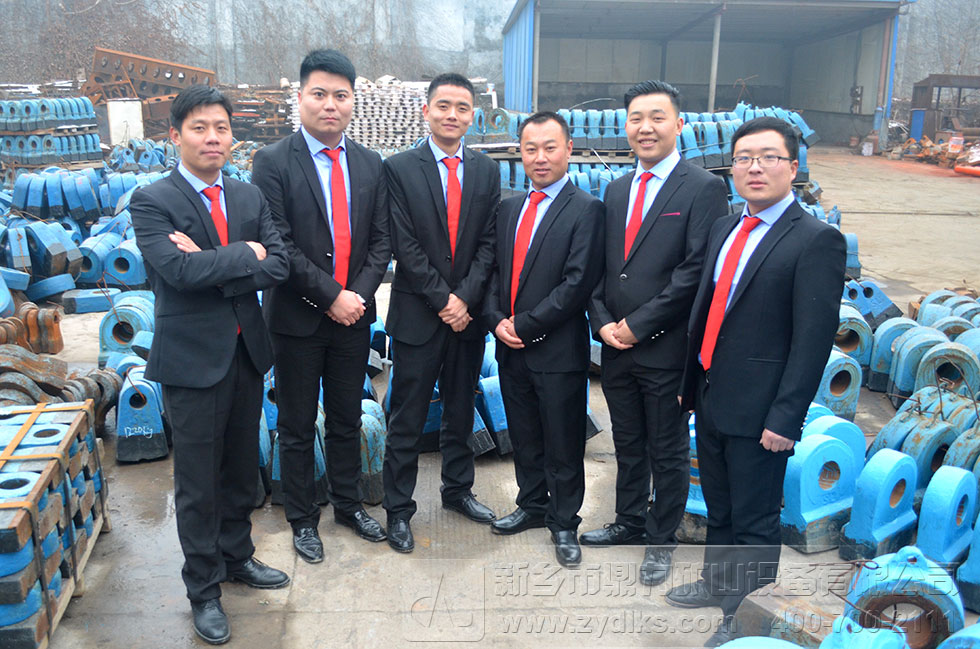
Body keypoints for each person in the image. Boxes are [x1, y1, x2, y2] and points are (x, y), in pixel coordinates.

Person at [665, 116, 845, 647]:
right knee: (719, 507)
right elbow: (707, 311)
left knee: (755, 520)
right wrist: (691, 384)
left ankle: (746, 616)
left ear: (793, 167)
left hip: (763, 411)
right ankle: (717, 584)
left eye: (769, 157)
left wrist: (786, 417)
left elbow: (812, 340)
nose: (755, 167)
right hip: (712, 396)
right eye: (744, 158)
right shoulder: (726, 227)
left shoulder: (816, 240)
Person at [131, 85, 290, 645]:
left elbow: (280, 264)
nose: (212, 138)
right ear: (175, 135)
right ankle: (203, 589)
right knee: (198, 484)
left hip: (247, 353)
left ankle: (237, 557)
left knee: (241, 470)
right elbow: (177, 273)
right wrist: (246, 254)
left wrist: (214, 261)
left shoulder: (248, 196)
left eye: (221, 127)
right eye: (199, 128)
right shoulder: (152, 200)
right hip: (191, 362)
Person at [583, 80, 728, 586]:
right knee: (627, 442)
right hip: (615, 346)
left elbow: (695, 272)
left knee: (666, 450)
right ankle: (627, 521)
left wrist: (638, 326)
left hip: (665, 348)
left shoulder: (703, 188)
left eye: (657, 117)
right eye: (636, 118)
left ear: (679, 124)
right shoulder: (618, 188)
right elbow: (604, 266)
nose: (646, 128)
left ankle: (660, 539)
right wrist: (602, 321)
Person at [251, 49, 391, 564]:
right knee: (295, 423)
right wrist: (331, 296)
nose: (330, 104)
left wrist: (356, 297)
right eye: (319, 94)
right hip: (296, 320)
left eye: (340, 95)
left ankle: (348, 506)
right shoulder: (272, 162)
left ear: (352, 102)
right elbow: (279, 244)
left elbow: (381, 241)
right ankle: (303, 518)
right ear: (300, 98)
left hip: (354, 317)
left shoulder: (370, 163)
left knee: (346, 417)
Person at [382, 73, 500, 553]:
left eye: (462, 108)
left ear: (473, 116)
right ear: (426, 111)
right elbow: (403, 244)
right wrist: (444, 300)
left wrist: (465, 299)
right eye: (444, 105)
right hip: (419, 314)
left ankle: (458, 491)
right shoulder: (399, 168)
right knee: (407, 416)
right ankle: (398, 509)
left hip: (466, 317)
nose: (452, 115)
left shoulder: (486, 170)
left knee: (460, 409)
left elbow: (490, 242)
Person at [484, 111, 603, 567]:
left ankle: (564, 521)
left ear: (568, 149)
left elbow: (577, 283)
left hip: (557, 350)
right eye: (530, 148)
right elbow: (495, 272)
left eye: (550, 147)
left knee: (563, 441)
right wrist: (497, 320)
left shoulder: (586, 209)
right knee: (524, 435)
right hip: (510, 347)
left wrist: (526, 325)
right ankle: (531, 505)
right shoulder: (509, 208)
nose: (540, 157)